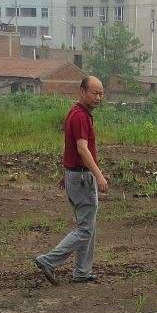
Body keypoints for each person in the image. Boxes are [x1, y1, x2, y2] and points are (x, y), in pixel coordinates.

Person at [34, 75, 108, 285]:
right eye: (94, 93)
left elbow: (72, 150)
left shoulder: (79, 114)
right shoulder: (79, 116)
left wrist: (67, 173)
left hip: (76, 175)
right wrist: (99, 175)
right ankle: (48, 260)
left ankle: (82, 271)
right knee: (85, 229)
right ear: (82, 92)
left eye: (101, 93)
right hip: (82, 178)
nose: (98, 97)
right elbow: (82, 149)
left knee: (88, 225)